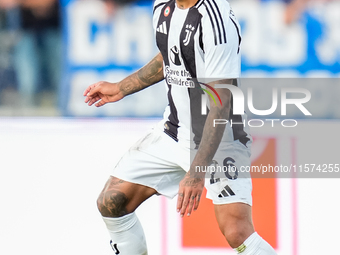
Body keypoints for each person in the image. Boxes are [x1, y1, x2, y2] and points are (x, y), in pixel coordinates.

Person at [84, 0, 277, 254]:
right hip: (173, 131)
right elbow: (171, 55)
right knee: (112, 201)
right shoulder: (162, 5)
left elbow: (221, 103)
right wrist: (122, 87)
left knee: (236, 231)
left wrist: (197, 172)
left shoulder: (215, 19)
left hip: (221, 138)